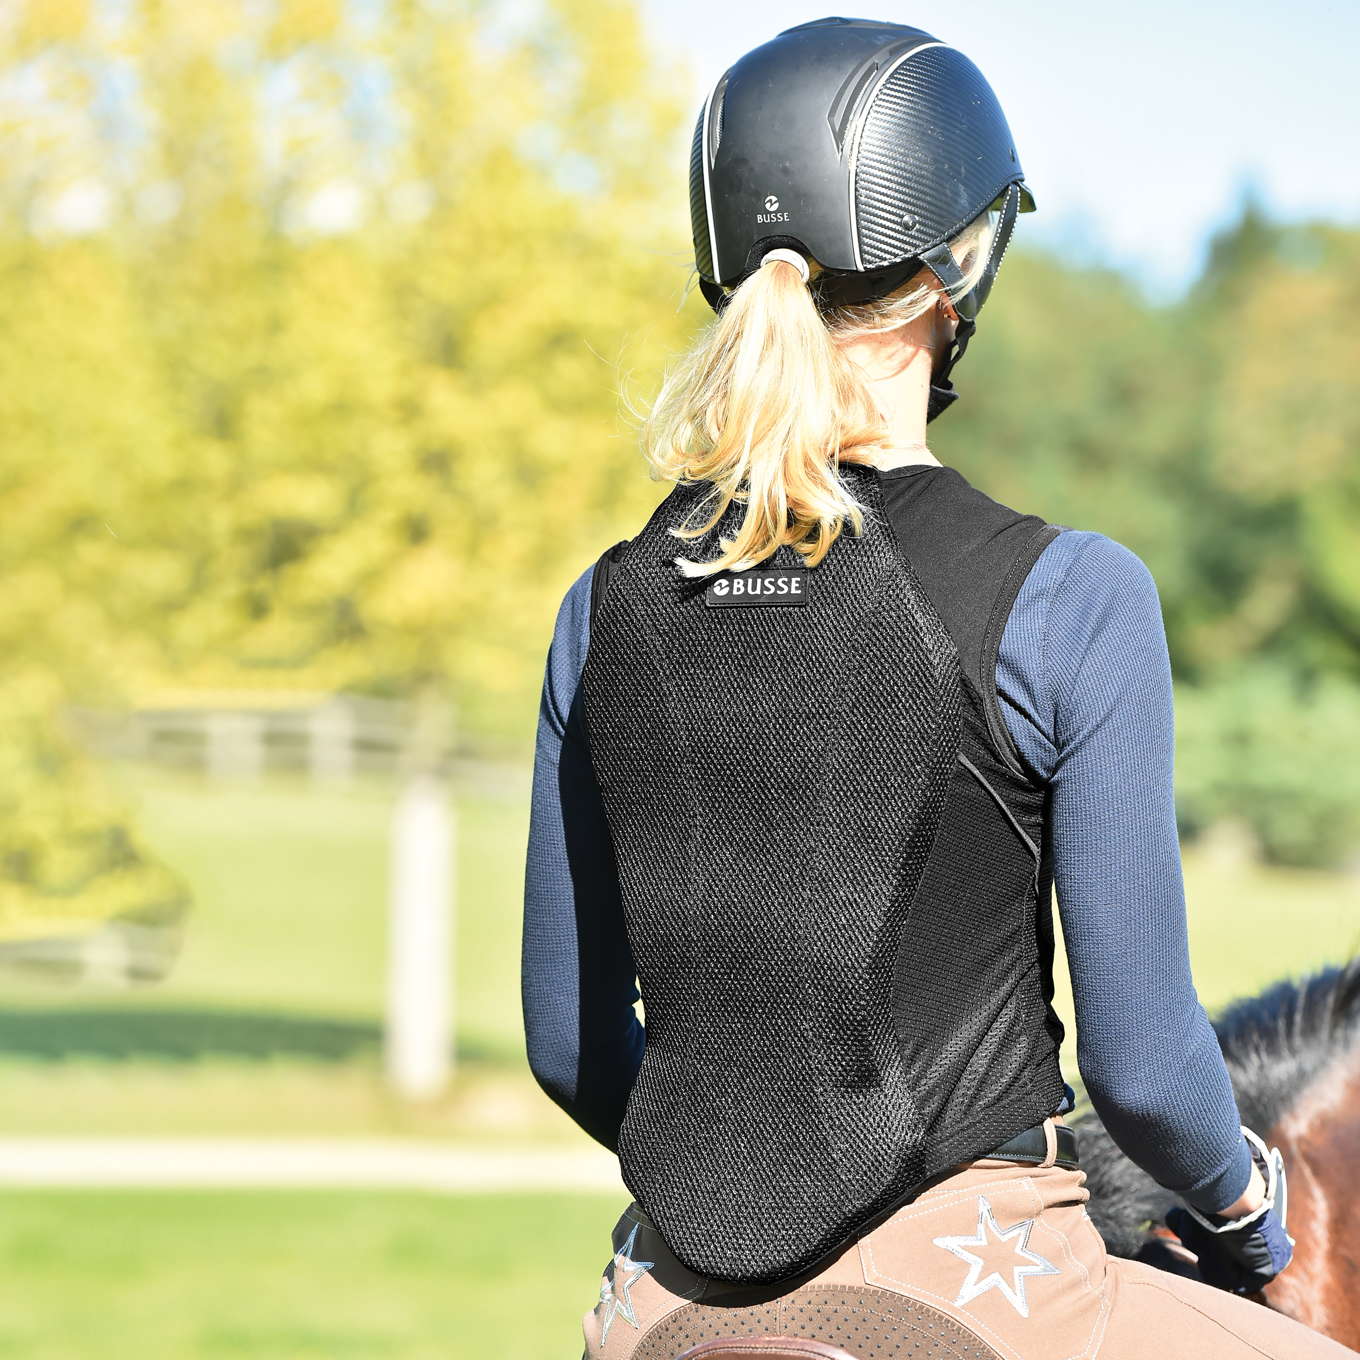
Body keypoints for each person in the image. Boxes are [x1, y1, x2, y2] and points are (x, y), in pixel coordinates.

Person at [521, 17, 1356, 1360]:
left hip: (659, 1299)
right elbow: (1141, 1072)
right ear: (956, 264)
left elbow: (571, 1050)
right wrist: (1251, 1210)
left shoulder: (598, 609)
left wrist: (741, 1185)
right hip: (985, 1282)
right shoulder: (1072, 594)